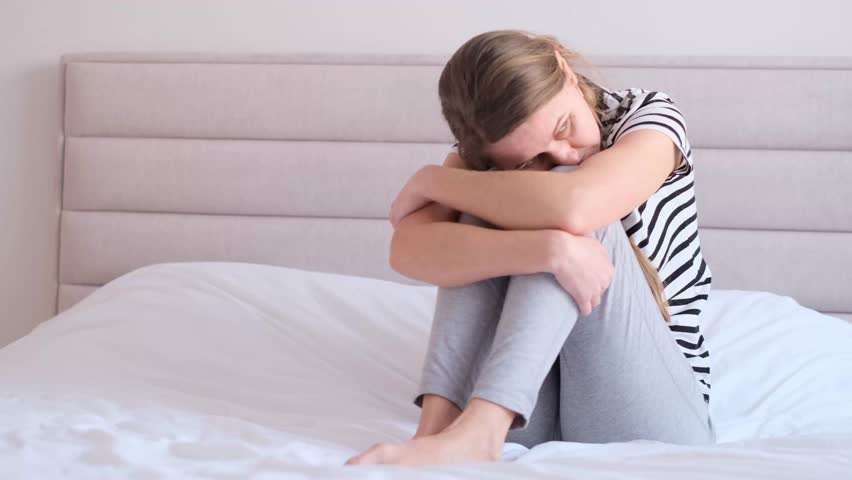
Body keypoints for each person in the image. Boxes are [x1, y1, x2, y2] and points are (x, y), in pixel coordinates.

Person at [345, 29, 714, 467]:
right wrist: (547, 251)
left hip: (649, 409)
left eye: (564, 127)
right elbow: (406, 249)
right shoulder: (487, 152)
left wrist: (432, 179)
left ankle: (482, 430)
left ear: (564, 69)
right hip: (531, 412)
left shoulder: (649, 117)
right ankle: (436, 430)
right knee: (486, 206)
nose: (565, 154)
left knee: (548, 196)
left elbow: (576, 208)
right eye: (532, 157)